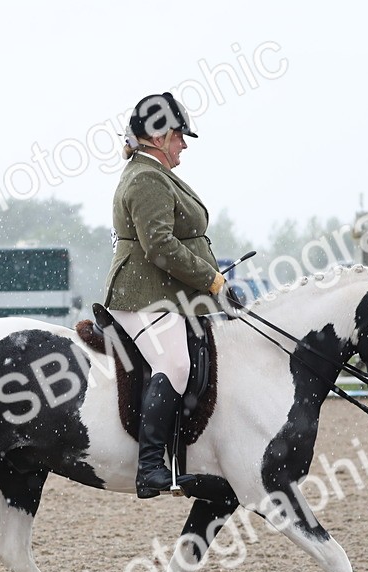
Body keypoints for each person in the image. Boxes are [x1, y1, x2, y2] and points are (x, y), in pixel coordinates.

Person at [102, 91, 231, 499]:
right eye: (179, 136)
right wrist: (209, 278)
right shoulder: (145, 178)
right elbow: (158, 245)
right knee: (175, 363)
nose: (184, 144)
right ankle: (151, 466)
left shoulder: (156, 173)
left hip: (163, 295)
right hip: (141, 295)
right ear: (157, 137)